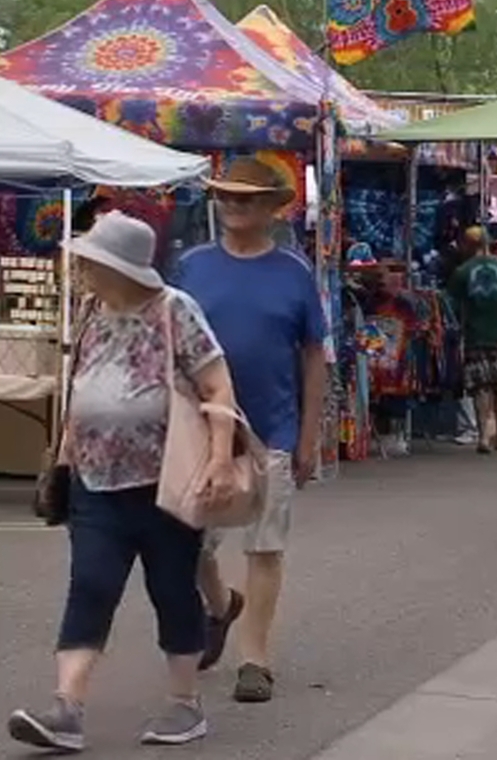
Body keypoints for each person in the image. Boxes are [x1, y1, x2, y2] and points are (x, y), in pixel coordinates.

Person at [10, 212, 238, 750]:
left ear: (119, 266)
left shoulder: (174, 311)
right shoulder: (91, 310)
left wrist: (221, 460)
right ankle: (66, 708)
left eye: (91, 260)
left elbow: (218, 387)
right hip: (94, 480)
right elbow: (83, 386)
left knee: (172, 591)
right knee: (89, 587)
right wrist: (63, 461)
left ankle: (184, 703)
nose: (83, 268)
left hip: (165, 481)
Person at [176, 159, 326, 705]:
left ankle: (254, 659)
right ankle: (220, 605)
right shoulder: (190, 267)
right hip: (200, 429)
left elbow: (314, 356)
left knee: (266, 545)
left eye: (244, 199)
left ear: (271, 208)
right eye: (224, 197)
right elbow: (170, 346)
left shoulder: (294, 272)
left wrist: (309, 436)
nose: (233, 206)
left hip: (274, 428)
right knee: (187, 540)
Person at [448, 226, 497, 454]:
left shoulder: (462, 271)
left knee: (481, 388)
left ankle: (482, 436)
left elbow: (452, 305)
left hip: (475, 336)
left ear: (468, 245)